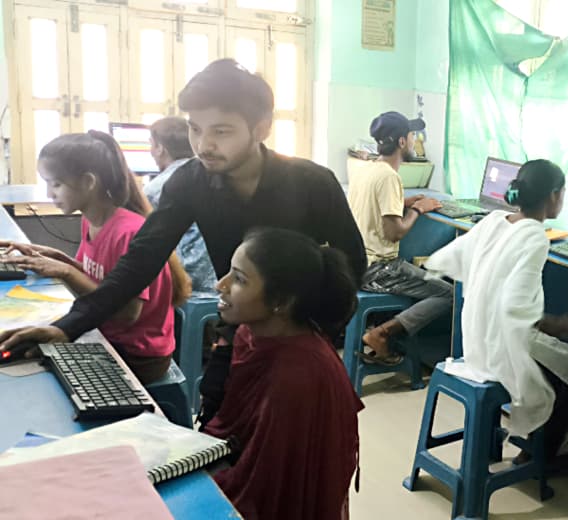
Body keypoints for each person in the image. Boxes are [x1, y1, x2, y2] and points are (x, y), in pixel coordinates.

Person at [0, 58, 366, 426]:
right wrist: (68, 327)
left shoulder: (312, 182)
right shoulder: (191, 181)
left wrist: (318, 335)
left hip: (299, 337)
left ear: (261, 128)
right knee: (219, 424)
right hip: (237, 330)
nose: (204, 145)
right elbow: (142, 258)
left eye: (221, 131)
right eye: (195, 129)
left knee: (293, 440)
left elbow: (351, 264)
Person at [422, 159, 568, 462]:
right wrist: (561, 325)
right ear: (554, 195)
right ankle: (539, 454)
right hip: (501, 346)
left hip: (475, 339)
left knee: (559, 365)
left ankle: (523, 444)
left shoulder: (494, 219)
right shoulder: (535, 236)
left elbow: (451, 257)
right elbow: (515, 307)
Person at [0, 131, 190, 384]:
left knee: (30, 364)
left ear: (89, 182)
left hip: (138, 354)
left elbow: (127, 313)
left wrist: (66, 271)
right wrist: (51, 257)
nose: (49, 194)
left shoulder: (128, 232)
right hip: (108, 334)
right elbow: (95, 275)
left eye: (56, 184)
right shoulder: (91, 220)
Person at [205, 227, 362, 520]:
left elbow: (264, 487)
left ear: (282, 302)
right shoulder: (250, 335)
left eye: (239, 279)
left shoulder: (296, 377)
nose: (220, 285)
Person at [353, 111, 448, 366]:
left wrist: (403, 202)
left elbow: (375, 206)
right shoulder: (389, 177)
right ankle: (381, 333)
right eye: (412, 135)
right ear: (402, 142)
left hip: (358, 263)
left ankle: (385, 333)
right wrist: (418, 209)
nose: (415, 140)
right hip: (380, 269)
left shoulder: (367, 169)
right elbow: (394, 232)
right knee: (448, 294)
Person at [143, 116, 216, 296]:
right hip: (217, 280)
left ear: (160, 148)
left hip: (186, 283)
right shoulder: (212, 176)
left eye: (151, 144)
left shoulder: (154, 189)